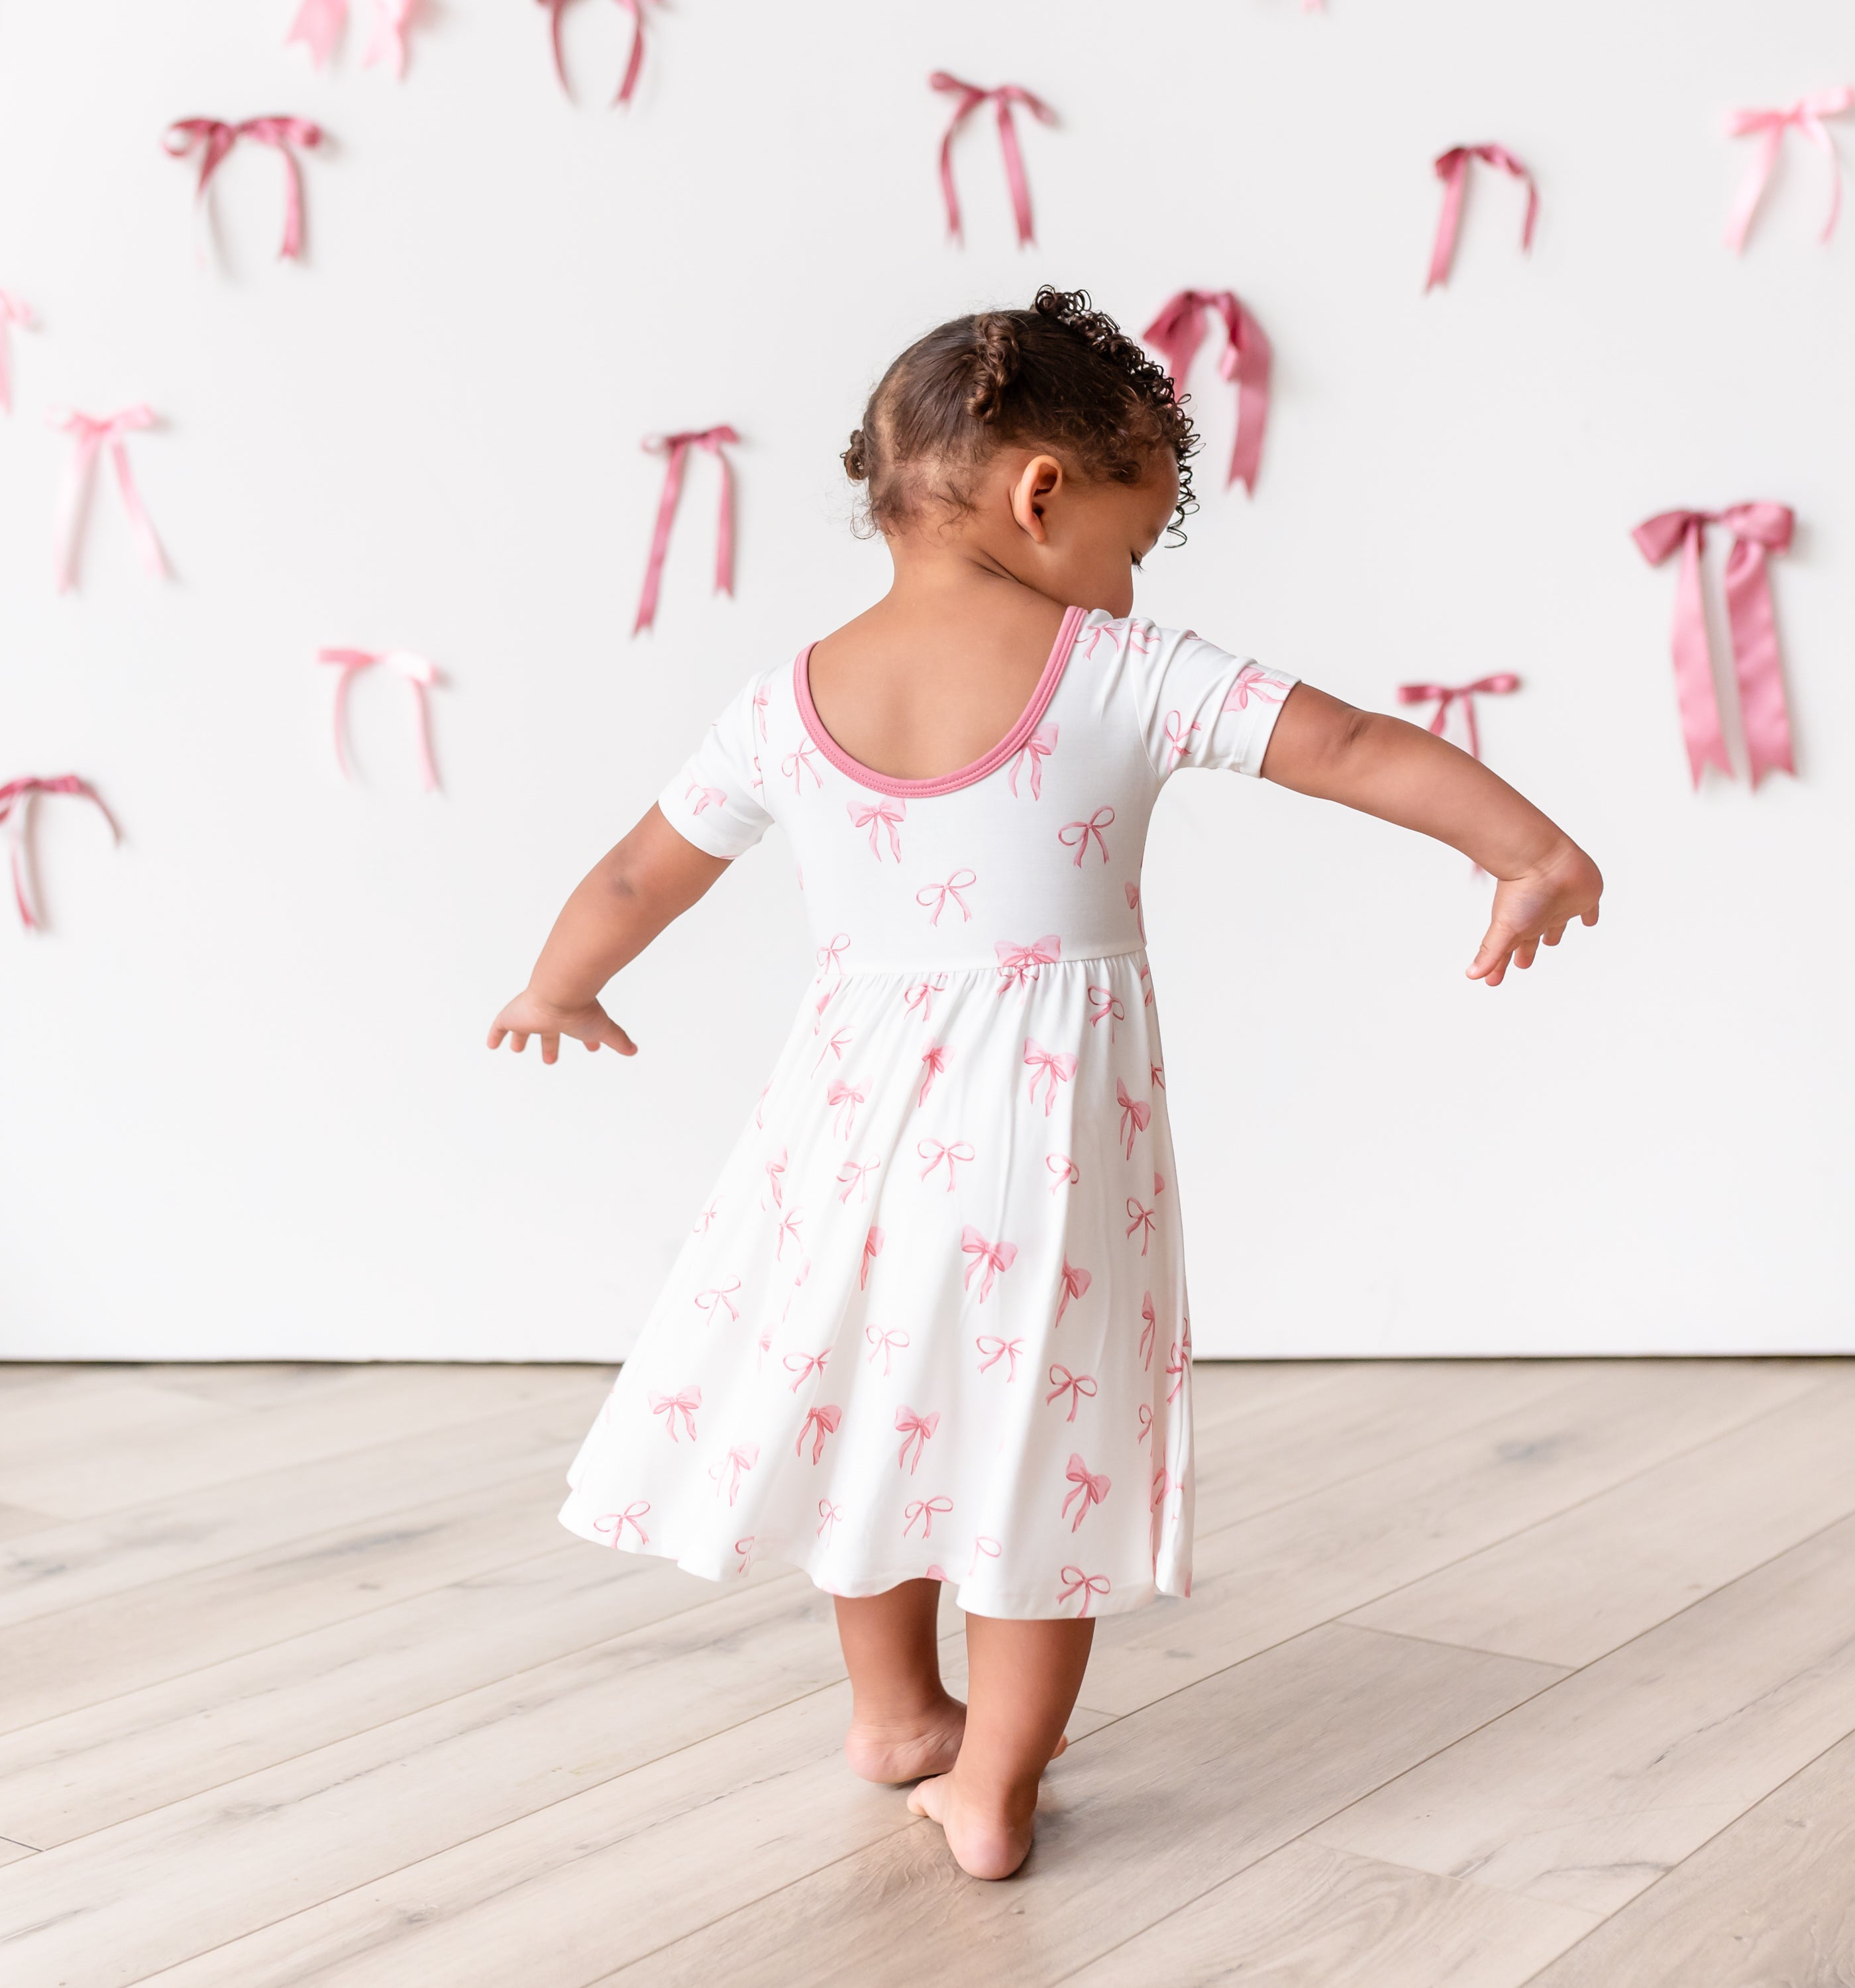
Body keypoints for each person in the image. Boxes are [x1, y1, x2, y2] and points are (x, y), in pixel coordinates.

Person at [488, 287, 1602, 1880]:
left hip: (843, 1131)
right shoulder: (1120, 669)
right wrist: (1527, 848)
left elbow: (633, 868)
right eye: (1134, 538)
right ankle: (994, 1788)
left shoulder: (786, 699)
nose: (1134, 581)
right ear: (1041, 495)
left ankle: (893, 1717)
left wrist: (560, 986)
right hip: (1047, 1143)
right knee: (1036, 1448)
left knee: (873, 1408)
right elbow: (1350, 746)